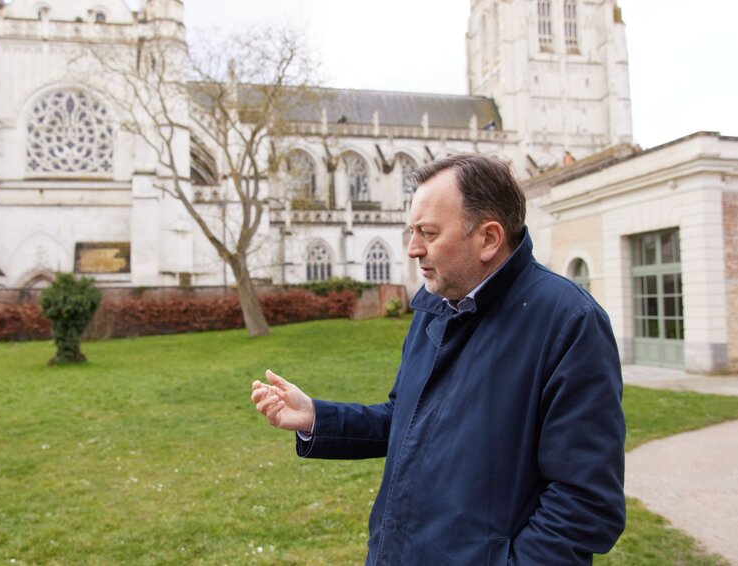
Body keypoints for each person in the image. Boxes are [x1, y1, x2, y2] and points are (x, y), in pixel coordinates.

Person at [251, 154, 625, 565]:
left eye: (427, 232)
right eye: (412, 231)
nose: (412, 249)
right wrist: (316, 418)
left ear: (488, 238)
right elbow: (406, 419)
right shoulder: (434, 304)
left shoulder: (569, 322)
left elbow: (584, 502)